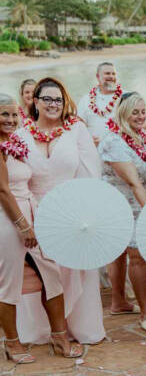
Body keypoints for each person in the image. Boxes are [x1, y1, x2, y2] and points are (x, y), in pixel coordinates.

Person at [14, 77, 104, 345]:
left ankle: (81, 326)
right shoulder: (20, 135)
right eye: (47, 99)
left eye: (58, 99)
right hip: (34, 212)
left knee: (76, 270)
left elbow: (91, 172)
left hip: (72, 210)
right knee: (41, 274)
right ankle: (41, 329)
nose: (53, 104)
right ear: (35, 102)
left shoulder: (76, 129)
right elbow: (16, 178)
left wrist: (87, 211)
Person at [0, 93, 83, 361]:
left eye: (14, 114)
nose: (11, 119)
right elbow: (2, 191)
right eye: (4, 114)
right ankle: (12, 343)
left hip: (32, 213)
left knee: (52, 274)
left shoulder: (14, 143)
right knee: (8, 282)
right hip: (8, 219)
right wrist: (23, 226)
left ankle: (59, 337)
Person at [99, 92, 146, 331]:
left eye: (143, 111)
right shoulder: (114, 141)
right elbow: (134, 182)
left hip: (141, 200)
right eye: (135, 112)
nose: (140, 116)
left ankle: (118, 302)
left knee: (121, 253)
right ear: (123, 113)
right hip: (123, 205)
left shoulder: (142, 137)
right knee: (135, 254)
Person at [76, 62, 122, 144]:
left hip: (120, 150)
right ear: (98, 77)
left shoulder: (126, 97)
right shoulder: (86, 100)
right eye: (107, 73)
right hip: (94, 150)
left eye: (113, 74)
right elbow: (79, 127)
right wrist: (87, 139)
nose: (111, 76)